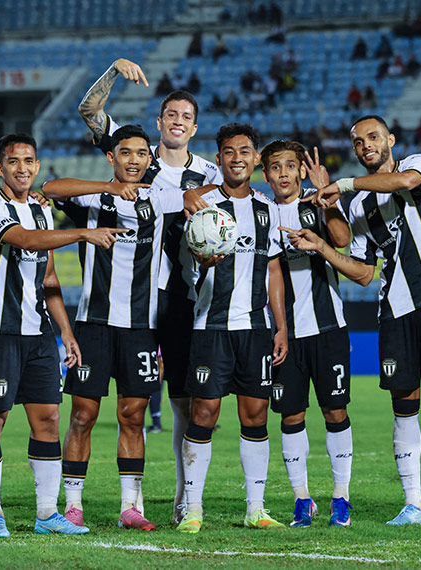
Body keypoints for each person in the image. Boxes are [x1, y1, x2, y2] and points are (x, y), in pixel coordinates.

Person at [300, 115, 421, 529]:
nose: (365, 146)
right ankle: (412, 504)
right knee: (403, 408)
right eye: (358, 142)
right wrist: (323, 241)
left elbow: (403, 183)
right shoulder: (358, 205)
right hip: (395, 310)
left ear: (390, 139)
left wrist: (340, 184)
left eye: (373, 138)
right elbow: (362, 271)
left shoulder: (419, 164)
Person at [77, 58, 223, 524]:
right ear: (161, 122)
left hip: (183, 295)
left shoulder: (208, 175)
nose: (177, 122)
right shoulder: (138, 156)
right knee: (122, 405)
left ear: (194, 127)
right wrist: (114, 72)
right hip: (132, 295)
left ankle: (184, 497)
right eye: (171, 115)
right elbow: (89, 111)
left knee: (182, 396)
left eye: (186, 117)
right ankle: (114, 501)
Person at [43, 125, 204, 531]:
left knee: (133, 416)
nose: (133, 159)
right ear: (112, 158)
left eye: (140, 154)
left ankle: (130, 506)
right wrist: (109, 189)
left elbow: (194, 197)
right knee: (83, 415)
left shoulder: (162, 197)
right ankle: (74, 505)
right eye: (125, 152)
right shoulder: (94, 196)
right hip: (93, 323)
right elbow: (51, 187)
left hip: (140, 328)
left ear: (150, 161)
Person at [0, 134, 122, 538]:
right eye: (13, 161)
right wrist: (83, 234)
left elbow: (49, 278)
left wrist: (66, 333)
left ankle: (45, 514)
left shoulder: (43, 211)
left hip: (37, 333)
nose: (22, 168)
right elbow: (25, 240)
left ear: (37, 166)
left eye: (29, 161)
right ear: (0, 168)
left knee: (49, 420)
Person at [177, 123, 288, 533]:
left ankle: (255, 509)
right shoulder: (200, 207)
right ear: (218, 159)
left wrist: (281, 327)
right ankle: (193, 509)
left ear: (256, 158)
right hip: (210, 325)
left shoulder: (267, 210)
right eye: (228, 152)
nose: (237, 158)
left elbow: (274, 269)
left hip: (256, 328)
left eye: (245, 151)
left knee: (255, 414)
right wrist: (202, 264)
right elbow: (185, 264)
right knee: (204, 412)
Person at [261, 141, 354, 527]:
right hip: (286, 335)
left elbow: (344, 240)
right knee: (290, 415)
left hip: (329, 326)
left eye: (290, 166)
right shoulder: (262, 213)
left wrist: (327, 196)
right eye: (275, 167)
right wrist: (280, 328)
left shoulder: (317, 204)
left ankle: (341, 497)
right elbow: (272, 274)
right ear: (264, 174)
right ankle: (302, 499)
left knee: (336, 411)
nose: (283, 173)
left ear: (302, 171)